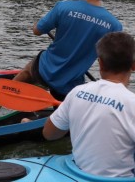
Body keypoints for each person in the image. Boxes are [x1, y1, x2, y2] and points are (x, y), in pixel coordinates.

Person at [0, 0, 122, 111]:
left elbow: (37, 31)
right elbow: (111, 59)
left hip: (45, 69)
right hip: (71, 82)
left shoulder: (64, 7)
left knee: (29, 70)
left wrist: (36, 24)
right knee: (62, 113)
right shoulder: (114, 25)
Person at [43, 31, 135, 177]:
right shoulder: (132, 103)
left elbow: (49, 134)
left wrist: (70, 114)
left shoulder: (75, 93)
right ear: (133, 66)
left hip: (78, 175)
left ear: (100, 63)